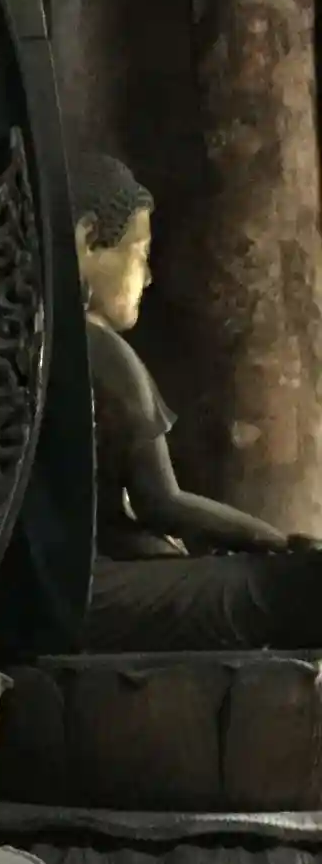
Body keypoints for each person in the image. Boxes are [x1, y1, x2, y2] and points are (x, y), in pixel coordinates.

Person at [75, 152, 322, 651]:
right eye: (140, 253)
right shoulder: (98, 350)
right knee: (300, 583)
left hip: (62, 590)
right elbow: (162, 503)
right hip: (92, 595)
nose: (147, 277)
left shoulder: (23, 341)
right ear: (87, 237)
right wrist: (274, 542)